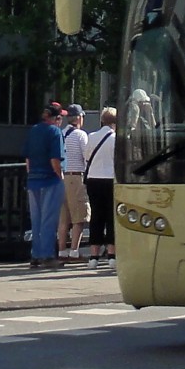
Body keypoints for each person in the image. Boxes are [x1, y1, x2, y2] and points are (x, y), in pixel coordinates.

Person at [24, 102, 67, 270]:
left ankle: (36, 255)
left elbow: (27, 158)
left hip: (33, 179)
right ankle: (48, 255)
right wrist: (60, 176)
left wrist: (31, 174)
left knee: (36, 220)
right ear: (57, 118)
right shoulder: (55, 132)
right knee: (49, 220)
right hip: (50, 179)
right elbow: (55, 159)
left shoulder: (34, 130)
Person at [84, 107, 117, 271]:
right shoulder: (116, 139)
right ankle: (111, 255)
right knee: (111, 217)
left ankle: (93, 256)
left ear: (102, 120)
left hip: (93, 179)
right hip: (110, 179)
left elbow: (87, 156)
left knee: (96, 217)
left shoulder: (92, 137)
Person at [57, 104, 91, 261]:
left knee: (64, 217)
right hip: (76, 177)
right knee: (79, 217)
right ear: (78, 118)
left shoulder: (61, 134)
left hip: (61, 177)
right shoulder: (80, 135)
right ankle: (74, 251)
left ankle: (61, 251)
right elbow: (87, 156)